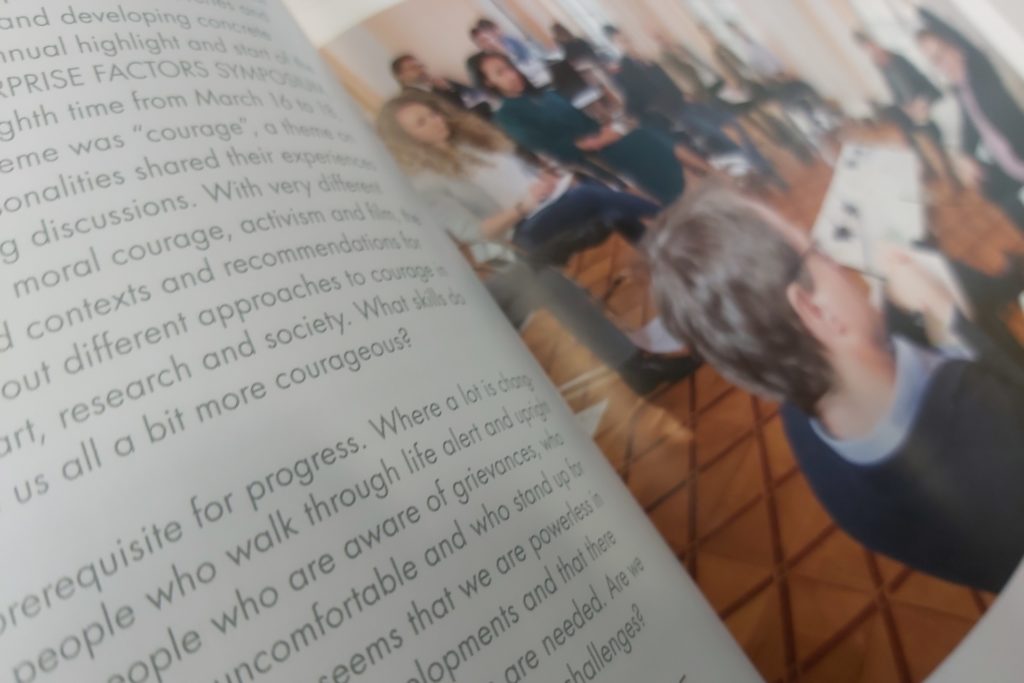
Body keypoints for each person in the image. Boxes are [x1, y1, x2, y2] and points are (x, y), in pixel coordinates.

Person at [646, 186, 1024, 592]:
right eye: (819, 252)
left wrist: (892, 309)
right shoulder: (991, 433)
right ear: (817, 311)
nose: (838, 262)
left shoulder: (804, 426)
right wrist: (952, 319)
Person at [376, 91, 701, 393]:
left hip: (543, 209)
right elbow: (475, 233)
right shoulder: (426, 183)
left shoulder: (471, 141)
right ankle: (680, 231)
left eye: (432, 113)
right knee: (591, 198)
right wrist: (524, 205)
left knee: (607, 207)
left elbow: (516, 178)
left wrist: (544, 182)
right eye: (421, 123)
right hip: (516, 234)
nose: (436, 121)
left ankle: (675, 279)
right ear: (407, 140)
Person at [468, 51, 693, 205]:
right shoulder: (507, 115)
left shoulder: (547, 95)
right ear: (489, 82)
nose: (511, 75)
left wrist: (608, 131)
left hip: (599, 140)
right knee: (642, 139)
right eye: (500, 73)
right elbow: (549, 147)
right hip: (583, 156)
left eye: (509, 68)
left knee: (648, 128)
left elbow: (587, 122)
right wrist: (599, 140)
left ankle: (689, 182)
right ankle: (676, 193)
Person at [603, 26, 783, 188]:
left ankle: (758, 167)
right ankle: (759, 171)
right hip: (674, 114)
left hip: (687, 104)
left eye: (626, 38)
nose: (627, 43)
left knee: (732, 123)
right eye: (621, 41)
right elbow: (633, 101)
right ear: (615, 45)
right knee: (719, 137)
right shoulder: (623, 71)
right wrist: (645, 115)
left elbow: (667, 81)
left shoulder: (646, 60)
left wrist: (683, 93)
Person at [916, 28, 1024, 232]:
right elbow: (971, 125)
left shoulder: (979, 69)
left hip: (1020, 155)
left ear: (955, 46)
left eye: (940, 55)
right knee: (998, 201)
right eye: (934, 62)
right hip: (1007, 168)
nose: (941, 66)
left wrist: (918, 11)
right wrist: (966, 155)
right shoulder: (960, 87)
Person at [853, 32, 959, 185]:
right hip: (912, 106)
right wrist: (905, 107)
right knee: (894, 116)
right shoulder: (882, 67)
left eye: (874, 48)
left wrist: (920, 103)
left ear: (876, 44)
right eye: (870, 52)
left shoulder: (897, 59)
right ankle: (921, 160)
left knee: (920, 126)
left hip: (926, 96)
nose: (875, 54)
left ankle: (945, 170)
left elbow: (922, 82)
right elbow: (896, 94)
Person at [391, 54, 491, 117]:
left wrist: (448, 89)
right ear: (401, 76)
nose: (420, 70)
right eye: (413, 68)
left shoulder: (440, 82)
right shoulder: (408, 100)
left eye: (420, 66)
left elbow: (475, 94)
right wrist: (445, 91)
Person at [470, 19, 552, 89]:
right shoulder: (487, 62)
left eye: (487, 39)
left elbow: (532, 61)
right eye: (482, 42)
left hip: (538, 78)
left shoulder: (510, 42)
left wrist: (504, 52)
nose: (487, 43)